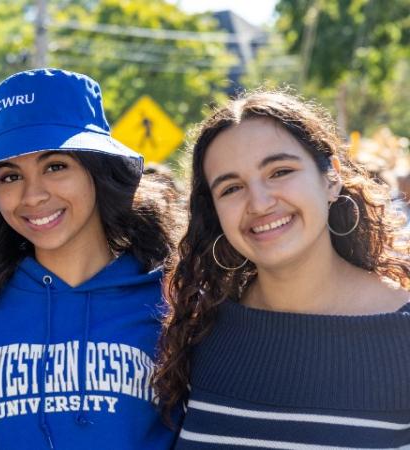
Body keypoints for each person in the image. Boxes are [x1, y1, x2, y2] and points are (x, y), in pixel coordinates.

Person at [154, 91, 410, 448]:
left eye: (280, 171)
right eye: (231, 188)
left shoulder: (402, 335)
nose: (259, 203)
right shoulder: (201, 332)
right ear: (213, 212)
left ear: (331, 177)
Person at [0, 68, 178, 449]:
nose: (32, 196)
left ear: (98, 172)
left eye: (56, 166)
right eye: (9, 176)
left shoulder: (172, 300)